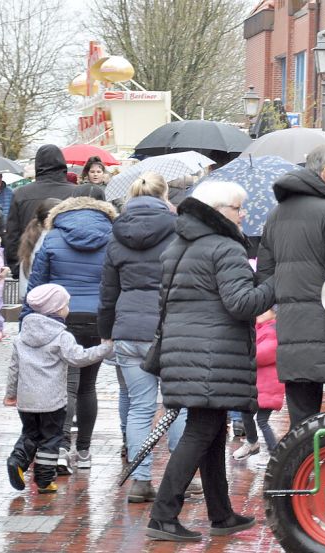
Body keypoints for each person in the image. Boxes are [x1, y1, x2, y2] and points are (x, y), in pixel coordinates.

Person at [146, 182, 275, 542]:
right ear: (217, 211)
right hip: (212, 356)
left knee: (212, 431)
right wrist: (274, 283)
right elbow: (242, 304)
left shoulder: (177, 247)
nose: (243, 214)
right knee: (201, 431)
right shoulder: (225, 248)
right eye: (238, 208)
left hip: (185, 352)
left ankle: (221, 514)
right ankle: (163, 515)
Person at [98, 172, 191, 503]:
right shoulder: (178, 232)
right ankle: (180, 478)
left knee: (139, 408)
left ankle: (140, 479)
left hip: (127, 330)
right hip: (168, 329)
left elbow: (108, 291)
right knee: (176, 404)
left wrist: (106, 332)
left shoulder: (116, 234)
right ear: (165, 195)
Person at [257, 144, 325, 428]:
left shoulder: (275, 214)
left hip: (292, 335)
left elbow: (266, 276)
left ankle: (296, 474)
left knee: (302, 427)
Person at [22, 196, 116, 474]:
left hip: (62, 317)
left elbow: (37, 286)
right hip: (98, 319)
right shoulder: (113, 239)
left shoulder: (52, 238)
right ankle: (84, 451)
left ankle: (60, 447)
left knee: (67, 385)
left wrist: (27, 323)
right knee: (88, 385)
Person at [5, 284, 114, 495]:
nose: (68, 309)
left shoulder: (21, 337)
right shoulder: (62, 336)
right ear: (56, 309)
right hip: (52, 401)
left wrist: (11, 394)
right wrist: (105, 348)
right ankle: (45, 481)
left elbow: (13, 369)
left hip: (26, 400)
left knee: (29, 433)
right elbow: (79, 358)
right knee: (50, 438)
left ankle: (17, 460)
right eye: (66, 305)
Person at [5, 145, 79, 275]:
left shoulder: (21, 194)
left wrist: (17, 268)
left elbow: (12, 235)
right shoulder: (75, 192)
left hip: (30, 264)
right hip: (67, 267)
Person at [232, 308, 282, 460]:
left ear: (274, 313)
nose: (258, 314)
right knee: (247, 414)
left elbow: (261, 354)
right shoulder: (260, 329)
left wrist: (244, 351)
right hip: (260, 387)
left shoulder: (274, 331)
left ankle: (275, 454)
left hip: (269, 388)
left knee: (261, 420)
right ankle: (254, 443)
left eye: (264, 311)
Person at [16, 198, 62, 295]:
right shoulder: (48, 241)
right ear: (48, 220)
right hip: (44, 299)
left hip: (31, 297)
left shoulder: (32, 237)